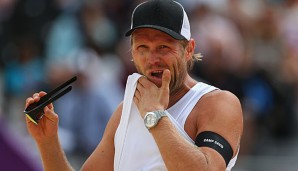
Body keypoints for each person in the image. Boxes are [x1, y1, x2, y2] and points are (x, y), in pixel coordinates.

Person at [24, 0, 243, 170]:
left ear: (189, 50)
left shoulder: (217, 103)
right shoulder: (125, 111)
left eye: (164, 47)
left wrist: (154, 115)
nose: (152, 58)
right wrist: (47, 141)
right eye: (143, 48)